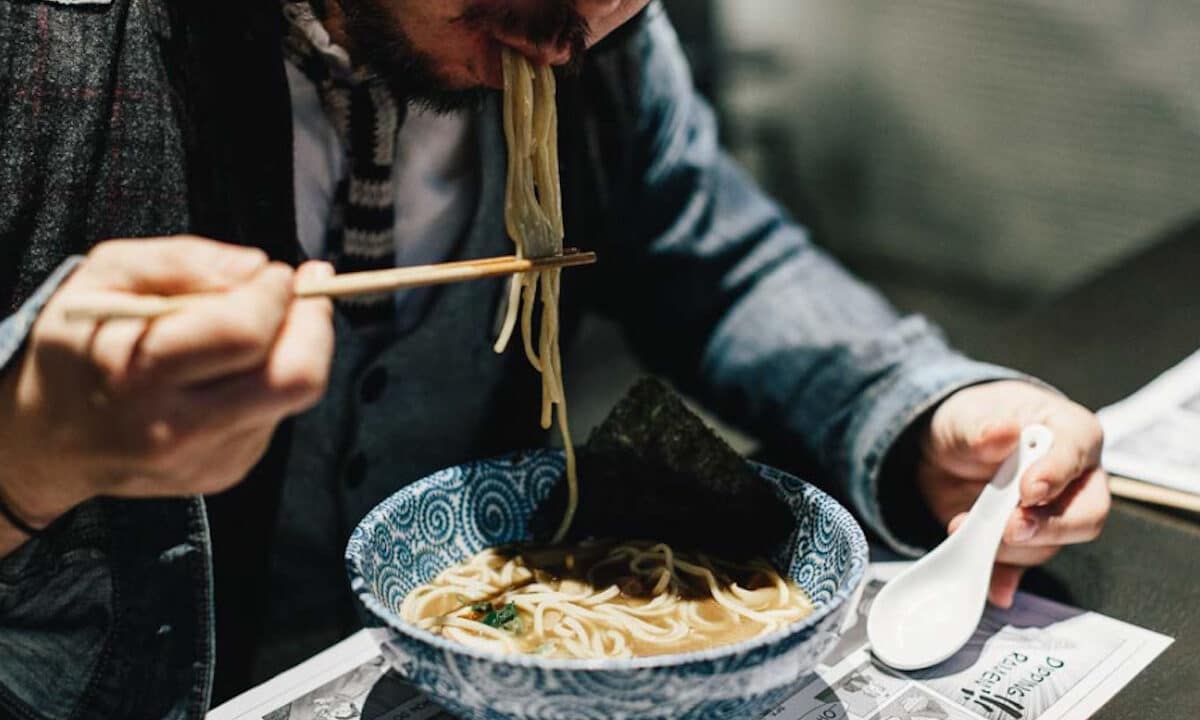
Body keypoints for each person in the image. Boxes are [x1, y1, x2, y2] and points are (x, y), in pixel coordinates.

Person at [0, 0, 1110, 717]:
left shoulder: (586, 27)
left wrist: (925, 412)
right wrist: (25, 452)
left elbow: (713, 256)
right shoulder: (47, 45)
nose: (567, 38)